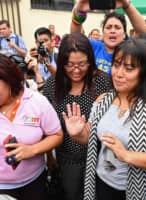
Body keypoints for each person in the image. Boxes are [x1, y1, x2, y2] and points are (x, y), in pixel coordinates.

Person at [62, 38, 146, 200]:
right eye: (116, 65)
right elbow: (91, 138)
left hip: (140, 189)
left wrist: (127, 155)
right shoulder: (103, 99)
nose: (118, 74)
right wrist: (77, 134)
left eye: (129, 68)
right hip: (102, 183)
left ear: (145, 72)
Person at [43, 32, 112, 200]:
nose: (76, 70)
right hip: (67, 158)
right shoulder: (53, 84)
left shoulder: (102, 81)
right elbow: (46, 124)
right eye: (69, 64)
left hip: (100, 156)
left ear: (90, 61)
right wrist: (50, 156)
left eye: (82, 64)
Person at [0, 54, 63, 200]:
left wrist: (32, 150)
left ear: (8, 78)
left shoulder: (36, 101)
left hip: (35, 182)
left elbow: (57, 135)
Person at [70, 0, 146, 75]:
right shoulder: (94, 46)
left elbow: (145, 35)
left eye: (117, 27)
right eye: (108, 27)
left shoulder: (131, 50)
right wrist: (80, 11)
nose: (112, 31)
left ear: (124, 34)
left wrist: (127, 6)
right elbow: (75, 38)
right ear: (103, 33)